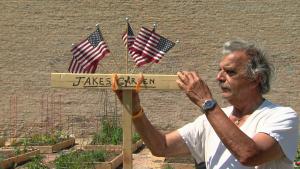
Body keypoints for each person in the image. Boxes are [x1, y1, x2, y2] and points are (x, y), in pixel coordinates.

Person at [114, 40, 299, 168]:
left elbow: (250, 155)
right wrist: (135, 110)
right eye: (219, 71)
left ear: (255, 79)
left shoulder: (282, 116)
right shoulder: (211, 119)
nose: (219, 77)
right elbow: (161, 146)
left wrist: (206, 102)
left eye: (230, 72)